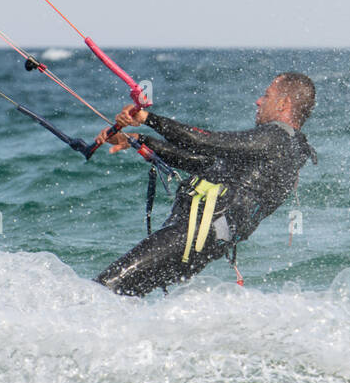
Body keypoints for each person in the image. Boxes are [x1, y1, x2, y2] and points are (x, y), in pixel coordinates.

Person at [94, 72, 318, 296]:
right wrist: (139, 140)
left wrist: (148, 119)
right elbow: (204, 163)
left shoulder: (276, 138)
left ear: (283, 103)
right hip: (200, 245)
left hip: (188, 236)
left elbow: (205, 142)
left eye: (266, 95)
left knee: (101, 291)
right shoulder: (288, 147)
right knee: (121, 297)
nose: (259, 101)